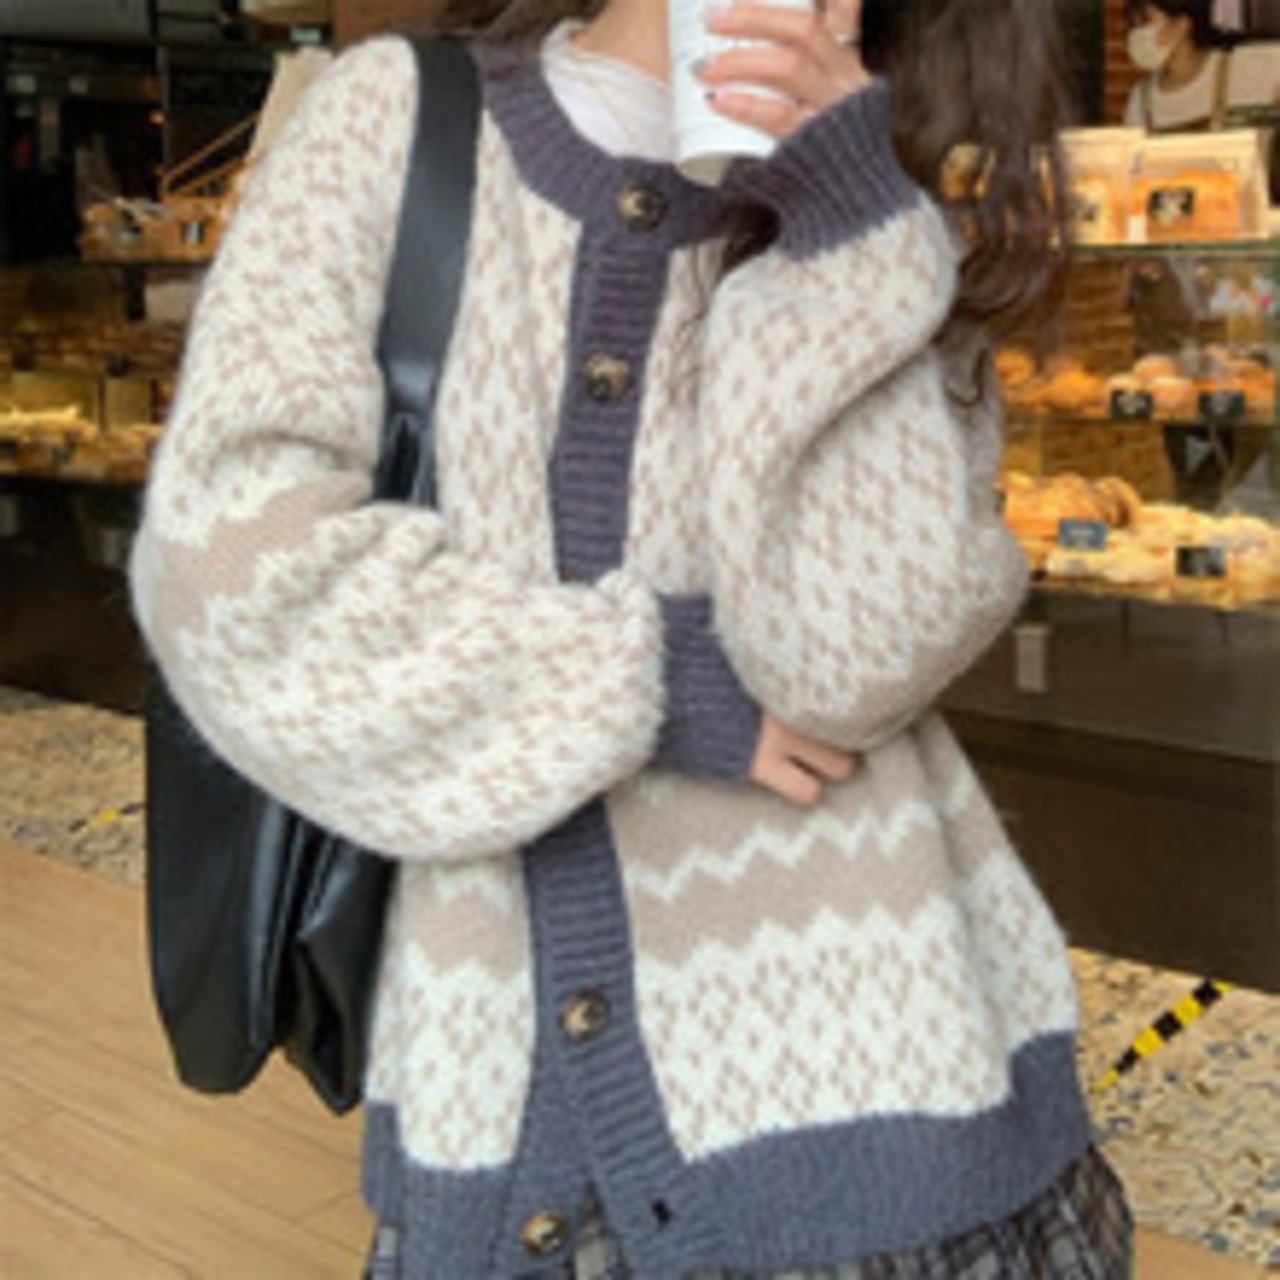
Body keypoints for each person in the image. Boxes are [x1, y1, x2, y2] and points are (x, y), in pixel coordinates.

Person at [130, 0, 1133, 1274]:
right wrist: (658, 681)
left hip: (892, 1092)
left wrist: (845, 226)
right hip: (508, 1101)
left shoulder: (880, 190)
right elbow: (233, 575)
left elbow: (852, 668)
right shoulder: (391, 125)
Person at [1123, 0, 1278, 132]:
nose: (1136, 34)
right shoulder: (1141, 101)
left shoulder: (1246, 68)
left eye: (1145, 21)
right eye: (1132, 25)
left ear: (1182, 25)